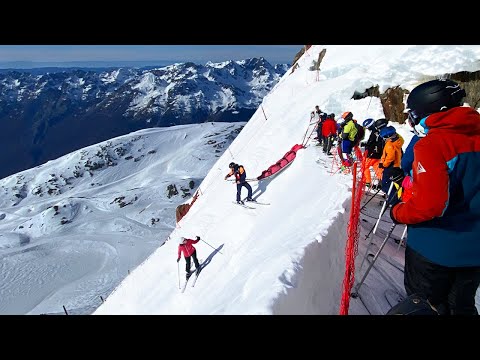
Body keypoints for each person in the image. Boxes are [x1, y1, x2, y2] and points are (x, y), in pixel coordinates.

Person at [390, 78, 480, 315]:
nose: (411, 120)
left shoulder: (432, 145)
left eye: (413, 113)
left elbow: (429, 206)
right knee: (462, 306)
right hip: (474, 250)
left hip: (434, 249)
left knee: (424, 307)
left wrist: (397, 212)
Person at [379, 125, 404, 204]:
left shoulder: (389, 144)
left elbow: (390, 157)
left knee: (385, 185)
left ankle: (392, 201)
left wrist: (384, 164)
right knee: (393, 183)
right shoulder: (398, 140)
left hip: (390, 167)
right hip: (396, 166)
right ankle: (392, 197)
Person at [361, 118, 385, 189]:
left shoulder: (374, 132)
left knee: (365, 167)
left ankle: (368, 181)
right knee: (378, 168)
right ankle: (382, 181)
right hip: (378, 155)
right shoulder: (380, 131)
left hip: (371, 154)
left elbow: (371, 143)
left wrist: (366, 145)